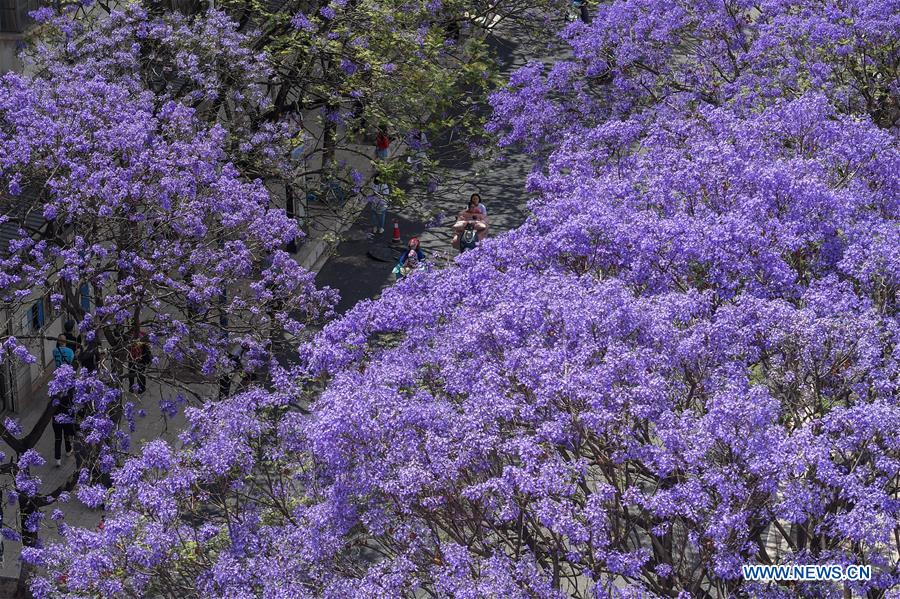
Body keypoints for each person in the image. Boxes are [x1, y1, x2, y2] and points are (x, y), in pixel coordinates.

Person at [51, 335, 75, 467]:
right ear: (66, 342)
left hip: (57, 377)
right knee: (66, 433)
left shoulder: (55, 351)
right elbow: (71, 362)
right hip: (67, 378)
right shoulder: (70, 352)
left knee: (57, 438)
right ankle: (68, 450)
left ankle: (57, 459)